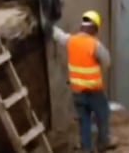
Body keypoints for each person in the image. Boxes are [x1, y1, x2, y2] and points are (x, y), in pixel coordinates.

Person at [52, 10, 116, 151]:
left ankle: (86, 148)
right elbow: (107, 62)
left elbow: (57, 35)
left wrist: (48, 24)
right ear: (94, 28)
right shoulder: (95, 45)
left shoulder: (70, 40)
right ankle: (103, 143)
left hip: (77, 92)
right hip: (94, 91)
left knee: (84, 120)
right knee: (102, 115)